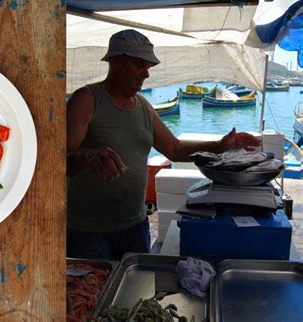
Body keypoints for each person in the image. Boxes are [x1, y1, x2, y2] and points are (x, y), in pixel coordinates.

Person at [66, 29, 261, 261]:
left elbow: (175, 149)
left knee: (134, 295)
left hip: (135, 226)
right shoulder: (86, 99)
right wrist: (88, 156)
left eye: (148, 66)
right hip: (89, 233)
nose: (146, 74)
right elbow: (58, 160)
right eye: (139, 64)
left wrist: (219, 146)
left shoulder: (143, 106)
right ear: (115, 62)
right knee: (92, 296)